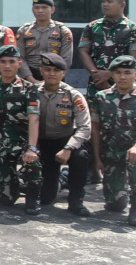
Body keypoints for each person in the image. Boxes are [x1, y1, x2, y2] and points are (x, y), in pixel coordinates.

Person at [91, 56, 136, 227]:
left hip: (135, 153)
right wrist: (97, 158)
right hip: (111, 153)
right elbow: (95, 129)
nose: (122, 77)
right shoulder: (101, 98)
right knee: (115, 206)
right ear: (112, 75)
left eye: (127, 73)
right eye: (118, 73)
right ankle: (121, 192)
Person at [26, 53, 92, 217]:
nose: (51, 74)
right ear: (41, 71)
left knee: (81, 156)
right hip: (41, 144)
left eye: (56, 70)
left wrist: (69, 148)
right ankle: (58, 182)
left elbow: (85, 128)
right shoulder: (32, 92)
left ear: (64, 73)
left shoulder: (73, 95)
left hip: (64, 143)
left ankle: (76, 201)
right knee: (47, 198)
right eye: (47, 69)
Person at [0, 45, 39, 211]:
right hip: (0, 143)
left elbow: (34, 119)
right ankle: (14, 185)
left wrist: (32, 148)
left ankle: (32, 197)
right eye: (3, 62)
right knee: (5, 200)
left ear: (19, 63)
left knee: (33, 164)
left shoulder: (29, 88)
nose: (7, 66)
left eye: (12, 62)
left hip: (23, 141)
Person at [78, 0, 136, 99]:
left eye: (110, 2)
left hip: (123, 82)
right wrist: (96, 74)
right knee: (95, 113)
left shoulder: (134, 29)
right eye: (103, 1)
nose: (105, 4)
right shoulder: (92, 27)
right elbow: (83, 51)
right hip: (96, 83)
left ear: (122, 4)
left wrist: (109, 74)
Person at [15, 0, 74, 81]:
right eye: (37, 8)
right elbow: (20, 57)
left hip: (55, 76)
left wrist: (54, 77)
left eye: (44, 7)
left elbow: (66, 58)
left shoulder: (62, 31)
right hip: (30, 76)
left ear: (52, 9)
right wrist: (30, 79)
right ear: (32, 10)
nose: (40, 11)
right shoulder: (24, 31)